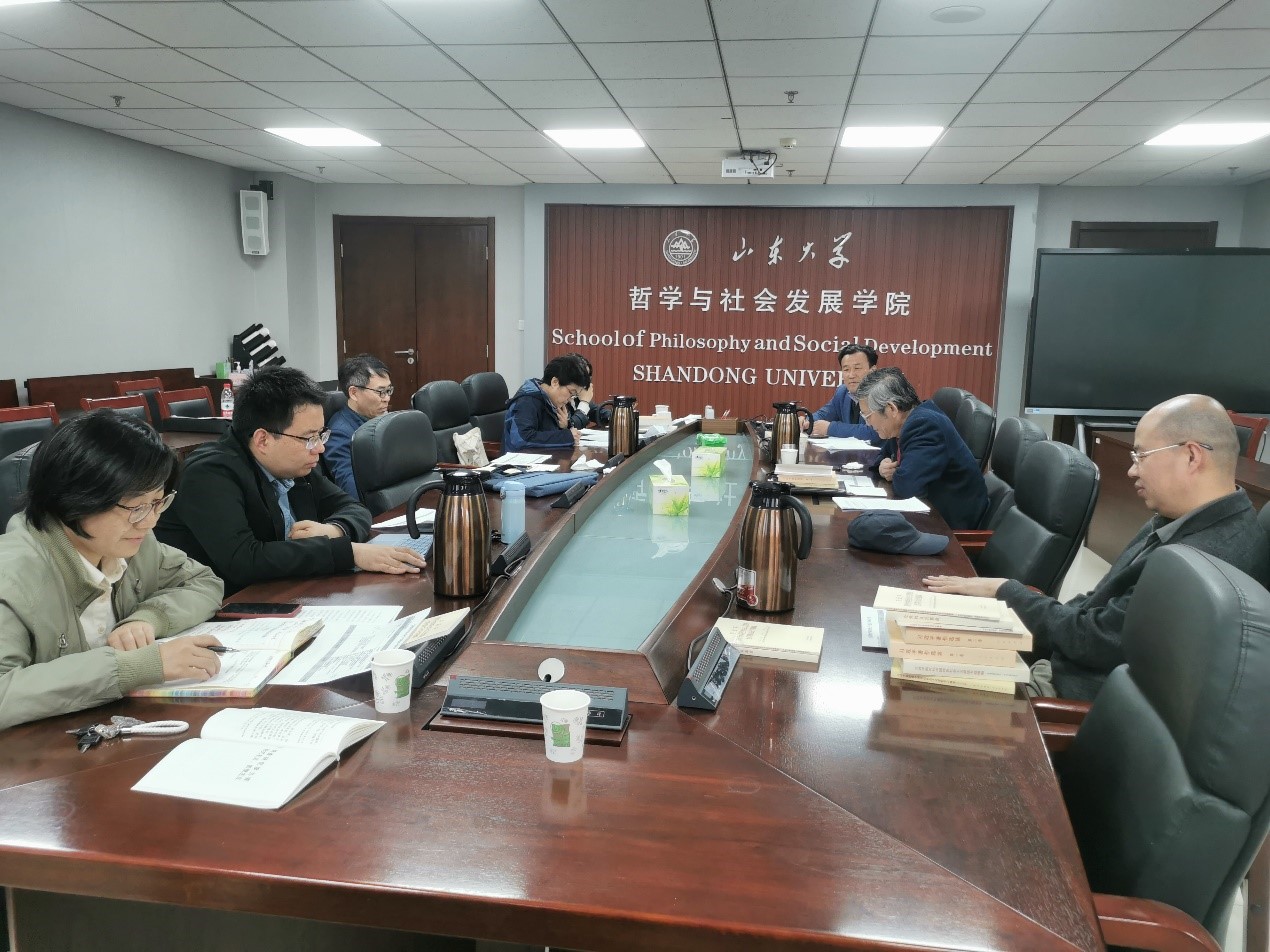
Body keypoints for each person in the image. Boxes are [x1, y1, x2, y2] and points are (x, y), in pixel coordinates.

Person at [924, 394, 1270, 701]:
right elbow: (1097, 607)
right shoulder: (1182, 519)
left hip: (1062, 697)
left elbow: (1093, 641)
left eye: (1141, 455)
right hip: (1055, 662)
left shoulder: (1202, 562)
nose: (1132, 470)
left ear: (1192, 456)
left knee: (914, 692)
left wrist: (1007, 593)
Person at [0, 412, 225, 732]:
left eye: (157, 502)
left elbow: (203, 581)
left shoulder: (131, 544)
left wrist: (149, 618)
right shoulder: (11, 575)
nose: (150, 521)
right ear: (74, 497)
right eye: (136, 507)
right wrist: (138, 666)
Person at [156, 367, 426, 594]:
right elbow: (244, 561)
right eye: (309, 437)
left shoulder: (296, 463)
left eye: (321, 435)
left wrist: (334, 530)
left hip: (286, 590)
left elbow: (355, 508)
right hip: (218, 607)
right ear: (263, 439)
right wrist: (349, 553)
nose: (319, 447)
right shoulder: (209, 474)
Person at [855, 367, 988, 530]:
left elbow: (908, 488)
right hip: (927, 516)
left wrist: (896, 473)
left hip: (948, 528)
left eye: (867, 416)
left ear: (892, 409)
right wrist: (883, 466)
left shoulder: (925, 425)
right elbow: (883, 456)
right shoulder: (903, 422)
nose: (868, 423)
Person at [325, 353, 393, 498]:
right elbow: (354, 491)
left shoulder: (384, 420)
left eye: (389, 390)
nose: (387, 398)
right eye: (381, 392)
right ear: (354, 393)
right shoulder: (340, 434)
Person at [504, 355, 590, 451]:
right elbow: (522, 439)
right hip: (521, 459)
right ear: (555, 382)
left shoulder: (553, 401)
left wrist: (566, 427)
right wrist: (566, 436)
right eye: (571, 392)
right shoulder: (526, 401)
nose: (570, 399)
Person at [804, 343, 880, 441]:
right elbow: (823, 415)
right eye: (846, 369)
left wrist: (830, 428)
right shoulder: (843, 392)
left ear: (872, 370)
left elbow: (875, 433)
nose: (851, 375)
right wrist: (806, 421)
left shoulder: (882, 393)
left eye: (857, 368)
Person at [562, 353, 611, 430]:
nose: (585, 382)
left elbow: (597, 412)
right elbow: (572, 426)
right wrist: (584, 402)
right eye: (581, 377)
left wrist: (616, 416)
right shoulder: (559, 399)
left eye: (587, 377)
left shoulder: (578, 397)